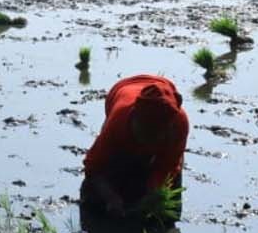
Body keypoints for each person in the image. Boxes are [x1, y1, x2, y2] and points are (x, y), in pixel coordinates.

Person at [80, 74, 190, 219]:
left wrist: (154, 192)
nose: (148, 142)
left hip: (164, 91)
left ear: (168, 129)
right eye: (144, 134)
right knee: (93, 199)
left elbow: (168, 166)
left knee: (167, 211)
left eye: (155, 136)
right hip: (123, 89)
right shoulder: (118, 121)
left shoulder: (179, 124)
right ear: (135, 120)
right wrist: (111, 198)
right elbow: (92, 167)